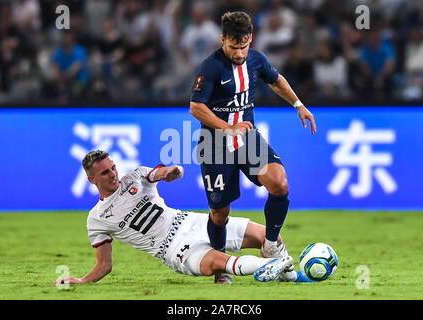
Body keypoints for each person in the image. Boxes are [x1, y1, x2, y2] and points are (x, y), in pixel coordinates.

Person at [54, 150, 312, 286]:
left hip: (191, 222)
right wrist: (81, 280)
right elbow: (104, 265)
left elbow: (159, 173)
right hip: (175, 249)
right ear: (91, 179)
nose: (112, 174)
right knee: (222, 262)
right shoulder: (96, 219)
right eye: (104, 173)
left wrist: (172, 172)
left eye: (112, 168)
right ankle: (267, 267)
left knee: (269, 236)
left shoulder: (134, 177)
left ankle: (289, 277)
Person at [189, 11, 316, 284]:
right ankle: (221, 265)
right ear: (222, 40)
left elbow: (276, 79)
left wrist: (299, 105)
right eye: (233, 47)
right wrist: (227, 128)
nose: (239, 53)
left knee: (279, 184)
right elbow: (196, 107)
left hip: (248, 140)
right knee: (220, 214)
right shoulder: (211, 67)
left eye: (243, 46)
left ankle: (270, 244)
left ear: (250, 39)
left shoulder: (257, 60)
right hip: (215, 145)